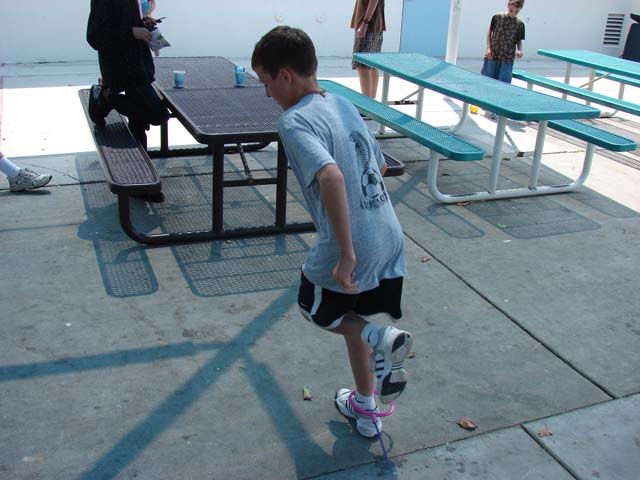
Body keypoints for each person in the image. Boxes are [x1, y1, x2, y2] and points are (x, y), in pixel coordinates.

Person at [251, 26, 413, 438]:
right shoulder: (342, 102)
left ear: (285, 75)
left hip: (354, 244)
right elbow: (378, 165)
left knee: (315, 307)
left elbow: (331, 176)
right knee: (352, 317)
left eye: (266, 82)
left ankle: (380, 337)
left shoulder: (293, 121)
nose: (267, 93)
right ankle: (366, 408)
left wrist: (346, 253)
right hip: (388, 233)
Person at [86, 0, 169, 201]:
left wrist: (144, 23)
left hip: (139, 66)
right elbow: (95, 37)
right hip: (120, 69)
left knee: (139, 121)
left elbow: (128, 18)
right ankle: (107, 97)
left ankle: (142, 183)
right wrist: (131, 31)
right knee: (157, 114)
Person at [481, 0, 526, 84]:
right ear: (508, 5)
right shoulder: (497, 17)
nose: (513, 14)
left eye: (516, 12)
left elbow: (518, 39)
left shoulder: (520, 24)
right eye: (511, 10)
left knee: (503, 84)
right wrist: (488, 48)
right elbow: (490, 32)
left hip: (507, 58)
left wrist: (520, 50)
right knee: (487, 81)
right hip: (493, 54)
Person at [351, 0, 385, 98]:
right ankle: (371, 101)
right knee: (371, 65)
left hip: (368, 25)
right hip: (373, 24)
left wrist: (365, 23)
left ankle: (367, 102)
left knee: (362, 65)